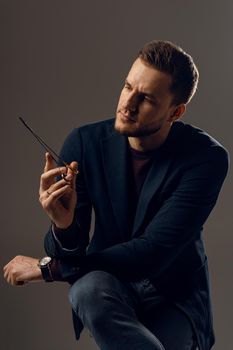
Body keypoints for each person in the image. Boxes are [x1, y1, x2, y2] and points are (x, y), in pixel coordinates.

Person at [3, 40, 229, 350]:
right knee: (85, 290)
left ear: (174, 112)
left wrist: (49, 268)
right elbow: (72, 247)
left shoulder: (206, 158)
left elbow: (153, 251)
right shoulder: (84, 143)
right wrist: (63, 225)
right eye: (127, 86)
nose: (128, 103)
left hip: (174, 296)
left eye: (146, 97)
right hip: (108, 284)